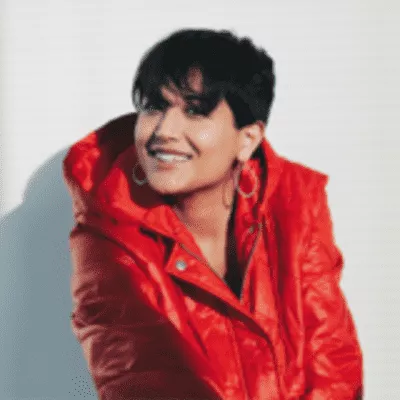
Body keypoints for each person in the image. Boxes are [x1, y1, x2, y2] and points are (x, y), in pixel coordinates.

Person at [63, 28, 363, 400]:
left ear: (247, 139)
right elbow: (145, 376)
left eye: (195, 111)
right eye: (154, 106)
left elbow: (332, 359)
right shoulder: (108, 235)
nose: (164, 131)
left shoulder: (293, 203)